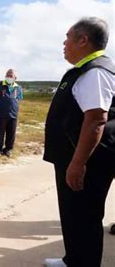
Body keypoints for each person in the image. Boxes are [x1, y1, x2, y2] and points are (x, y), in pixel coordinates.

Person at [43, 17, 115, 267]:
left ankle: (83, 262)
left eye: (68, 37)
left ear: (83, 40)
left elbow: (96, 120)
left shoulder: (95, 72)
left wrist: (77, 163)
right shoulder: (87, 69)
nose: (64, 43)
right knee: (73, 214)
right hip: (73, 155)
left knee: (84, 216)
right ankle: (73, 258)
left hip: (85, 159)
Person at [0, 69, 23, 157]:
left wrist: (12, 106)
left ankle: (8, 149)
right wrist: (1, 105)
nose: (8, 77)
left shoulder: (18, 88)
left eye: (10, 76)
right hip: (0, 113)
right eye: (7, 75)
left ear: (15, 78)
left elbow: (18, 99)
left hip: (13, 114)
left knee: (11, 133)